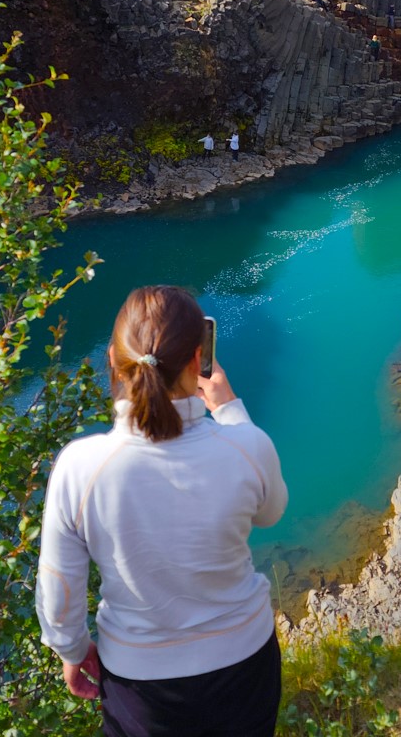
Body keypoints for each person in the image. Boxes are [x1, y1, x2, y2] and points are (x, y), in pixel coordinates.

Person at [36, 286, 288, 737]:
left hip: (141, 684)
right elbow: (271, 513)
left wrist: (72, 651)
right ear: (198, 361)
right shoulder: (245, 446)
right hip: (245, 662)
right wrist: (230, 411)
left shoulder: (80, 466)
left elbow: (60, 587)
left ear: (113, 359)